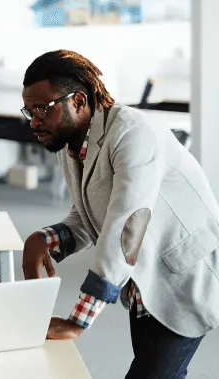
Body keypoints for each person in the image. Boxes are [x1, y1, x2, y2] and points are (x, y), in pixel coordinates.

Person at [20, 50, 219, 378]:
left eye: (42, 109)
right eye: (29, 111)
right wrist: (45, 238)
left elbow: (127, 224)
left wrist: (77, 321)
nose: (34, 122)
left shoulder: (132, 132)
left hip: (185, 276)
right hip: (143, 282)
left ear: (79, 102)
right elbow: (87, 215)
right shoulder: (72, 145)